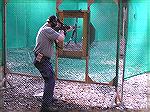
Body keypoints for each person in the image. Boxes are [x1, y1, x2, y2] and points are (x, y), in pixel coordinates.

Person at [33, 15, 66, 112]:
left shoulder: (45, 28)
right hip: (42, 59)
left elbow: (55, 38)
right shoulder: (48, 30)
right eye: (56, 23)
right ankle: (45, 107)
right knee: (50, 80)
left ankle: (48, 98)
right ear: (53, 23)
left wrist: (61, 29)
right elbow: (61, 39)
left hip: (42, 59)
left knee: (50, 79)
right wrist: (62, 31)